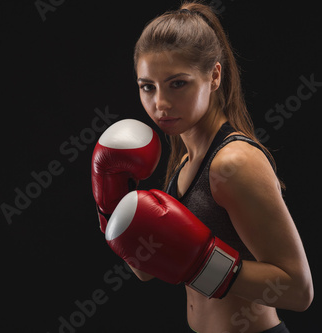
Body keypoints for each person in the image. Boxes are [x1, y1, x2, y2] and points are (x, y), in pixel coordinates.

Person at [91, 2, 313, 332]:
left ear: (214, 76)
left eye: (177, 83)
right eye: (147, 86)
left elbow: (298, 290)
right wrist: (110, 207)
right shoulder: (184, 161)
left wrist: (203, 262)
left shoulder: (234, 162)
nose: (160, 104)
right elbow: (145, 270)